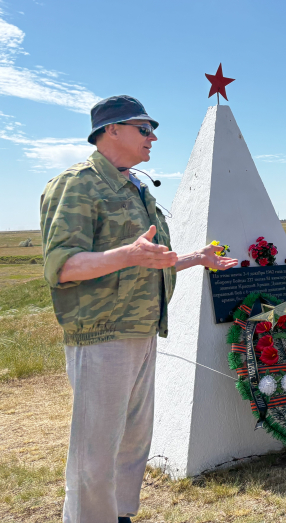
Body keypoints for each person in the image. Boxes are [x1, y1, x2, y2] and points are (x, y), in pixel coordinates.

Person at [39, 95, 239, 523]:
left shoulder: (136, 187)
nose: (153, 137)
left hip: (142, 330)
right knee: (95, 453)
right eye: (144, 129)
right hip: (100, 334)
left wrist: (195, 258)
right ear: (111, 130)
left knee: (131, 444)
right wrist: (126, 255)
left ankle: (120, 515)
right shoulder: (77, 184)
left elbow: (148, 261)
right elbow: (62, 266)